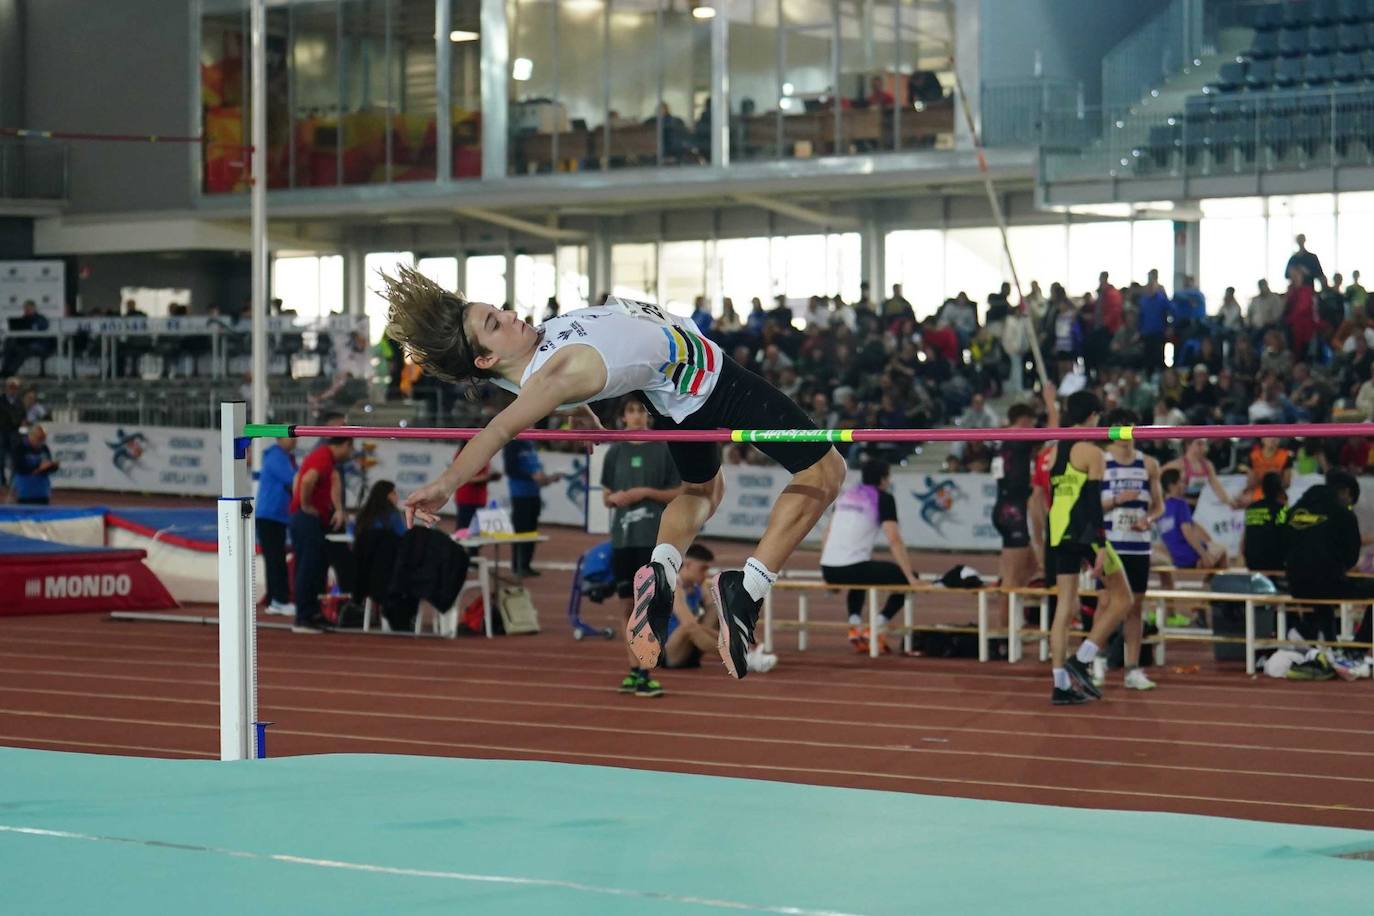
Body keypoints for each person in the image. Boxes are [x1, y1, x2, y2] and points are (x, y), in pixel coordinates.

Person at [383, 266, 846, 680]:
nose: (508, 316)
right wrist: (445, 483)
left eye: (497, 311)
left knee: (703, 489)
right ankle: (746, 589)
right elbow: (500, 427)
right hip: (710, 380)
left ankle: (662, 568)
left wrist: (579, 410)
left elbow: (536, 387)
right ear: (485, 359)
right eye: (494, 324)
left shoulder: (518, 364)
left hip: (666, 394)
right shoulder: (552, 377)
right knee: (826, 470)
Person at [1045, 391, 1132, 705]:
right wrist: (1100, 545)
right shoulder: (1091, 452)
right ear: (1094, 415)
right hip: (1084, 534)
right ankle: (1081, 660)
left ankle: (1060, 685)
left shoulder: (1055, 449)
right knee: (1124, 598)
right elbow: (1092, 504)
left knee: (1064, 607)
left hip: (1057, 533)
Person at [602, 397, 684, 697]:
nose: (636, 417)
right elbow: (606, 496)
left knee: (646, 607)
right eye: (631, 411)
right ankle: (634, 671)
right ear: (623, 417)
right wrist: (616, 498)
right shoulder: (615, 452)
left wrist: (645, 492)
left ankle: (646, 670)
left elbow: (679, 493)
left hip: (652, 539)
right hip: (623, 540)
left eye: (640, 411)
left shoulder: (663, 449)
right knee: (626, 606)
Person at [819, 459, 919, 654]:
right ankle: (875, 628)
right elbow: (894, 539)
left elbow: (826, 534)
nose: (889, 481)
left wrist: (826, 568)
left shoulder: (846, 495)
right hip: (852, 568)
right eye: (888, 477)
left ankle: (855, 625)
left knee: (861, 572)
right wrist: (911, 577)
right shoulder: (883, 498)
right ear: (883, 479)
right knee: (904, 581)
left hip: (829, 568)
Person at [1101, 408, 1164, 691]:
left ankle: (1132, 669)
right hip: (1110, 545)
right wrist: (1116, 500)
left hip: (1138, 546)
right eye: (1118, 428)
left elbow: (1159, 506)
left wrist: (1148, 519)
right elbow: (1089, 504)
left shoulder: (1149, 464)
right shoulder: (1100, 463)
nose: (1124, 434)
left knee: (1135, 608)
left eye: (1129, 427)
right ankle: (1096, 663)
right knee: (1106, 605)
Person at [992, 385, 1058, 630]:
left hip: (1005, 507)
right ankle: (1003, 632)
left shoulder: (1003, 438)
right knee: (1011, 577)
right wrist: (1050, 401)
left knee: (1030, 566)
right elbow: (1053, 433)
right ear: (1023, 421)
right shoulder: (1018, 434)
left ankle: (1014, 620)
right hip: (1012, 511)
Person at [1284, 469, 1372, 645]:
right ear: (1346, 492)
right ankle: (1356, 649)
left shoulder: (1294, 510)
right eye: (1350, 502)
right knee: (1331, 583)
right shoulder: (1344, 514)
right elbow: (1351, 557)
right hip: (1327, 583)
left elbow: (1282, 540)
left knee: (1322, 586)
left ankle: (1328, 644)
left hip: (1294, 585)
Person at [288, 436, 353, 634]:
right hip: (306, 518)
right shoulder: (322, 457)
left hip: (311, 519)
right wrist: (305, 504)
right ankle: (304, 617)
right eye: (350, 449)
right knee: (308, 568)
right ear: (344, 445)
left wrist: (339, 509)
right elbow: (305, 480)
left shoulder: (326, 461)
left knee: (316, 567)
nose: (351, 454)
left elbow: (331, 480)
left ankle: (313, 614)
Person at [503, 437, 564, 577]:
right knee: (521, 529)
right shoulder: (514, 443)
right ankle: (517, 565)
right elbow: (510, 469)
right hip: (520, 493)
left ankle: (526, 564)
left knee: (531, 529)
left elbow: (537, 472)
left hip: (534, 493)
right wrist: (531, 476)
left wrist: (548, 478)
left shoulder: (531, 444)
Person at [254, 436, 298, 617]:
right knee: (275, 559)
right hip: (270, 515)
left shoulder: (283, 457)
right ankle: (279, 599)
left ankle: (275, 599)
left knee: (275, 559)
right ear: (279, 438)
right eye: (291, 437)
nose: (295, 441)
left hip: (276, 516)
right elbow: (293, 480)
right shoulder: (276, 457)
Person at [1157, 468, 1228, 571]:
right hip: (1191, 556)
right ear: (1172, 486)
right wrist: (1203, 554)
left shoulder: (1161, 509)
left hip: (1176, 558)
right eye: (1181, 481)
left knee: (1211, 546)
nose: (1185, 485)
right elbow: (1187, 532)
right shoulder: (1180, 504)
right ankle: (1219, 585)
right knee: (1222, 550)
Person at [1164, 439, 1243, 509]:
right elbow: (1161, 481)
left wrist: (1229, 502)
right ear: (1188, 446)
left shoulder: (1207, 465)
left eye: (1204, 444)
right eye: (1199, 444)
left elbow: (1217, 487)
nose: (1203, 447)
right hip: (1182, 505)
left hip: (1199, 505)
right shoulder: (1177, 464)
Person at [1241, 472, 1289, 575]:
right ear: (1279, 489)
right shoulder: (1281, 510)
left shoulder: (1251, 508)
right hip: (1273, 563)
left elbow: (1245, 538)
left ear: (1263, 489)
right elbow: (1285, 534)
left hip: (1251, 562)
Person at [9, 424, 58, 504]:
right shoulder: (20, 448)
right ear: (31, 435)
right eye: (39, 438)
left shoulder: (44, 448)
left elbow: (47, 465)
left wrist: (53, 466)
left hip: (42, 491)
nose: (41, 441)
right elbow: (18, 466)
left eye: (43, 438)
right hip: (25, 491)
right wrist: (38, 468)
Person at [1242, 436, 1293, 503]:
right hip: (1257, 496)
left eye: (1275, 437)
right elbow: (1251, 483)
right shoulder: (1253, 456)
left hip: (1277, 496)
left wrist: (1272, 483)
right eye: (1268, 437)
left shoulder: (1286, 456)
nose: (1272, 439)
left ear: (1279, 440)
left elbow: (1287, 483)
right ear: (1262, 439)